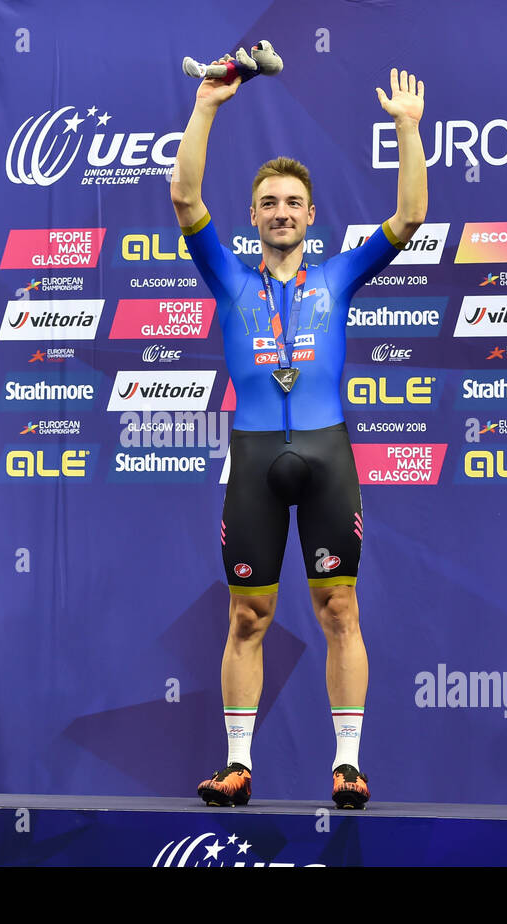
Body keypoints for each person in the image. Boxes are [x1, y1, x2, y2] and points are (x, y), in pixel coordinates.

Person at [170, 66, 428, 809]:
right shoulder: (226, 275)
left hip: (324, 454)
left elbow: (409, 216)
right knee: (247, 615)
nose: (281, 213)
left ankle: (347, 762)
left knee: (340, 610)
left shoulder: (341, 275)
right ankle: (239, 764)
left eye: (292, 203)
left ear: (311, 215)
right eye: (268, 204)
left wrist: (407, 128)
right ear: (252, 215)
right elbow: (186, 194)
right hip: (253, 458)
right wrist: (206, 106)